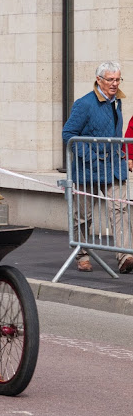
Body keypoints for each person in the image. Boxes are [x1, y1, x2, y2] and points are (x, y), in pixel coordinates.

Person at [62, 61, 133, 274]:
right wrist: (91, 158)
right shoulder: (84, 104)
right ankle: (82, 254)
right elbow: (69, 135)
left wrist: (122, 155)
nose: (114, 83)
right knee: (83, 215)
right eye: (110, 79)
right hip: (88, 169)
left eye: (117, 79)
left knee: (120, 209)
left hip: (113, 168)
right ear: (99, 80)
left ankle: (125, 256)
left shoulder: (117, 102)